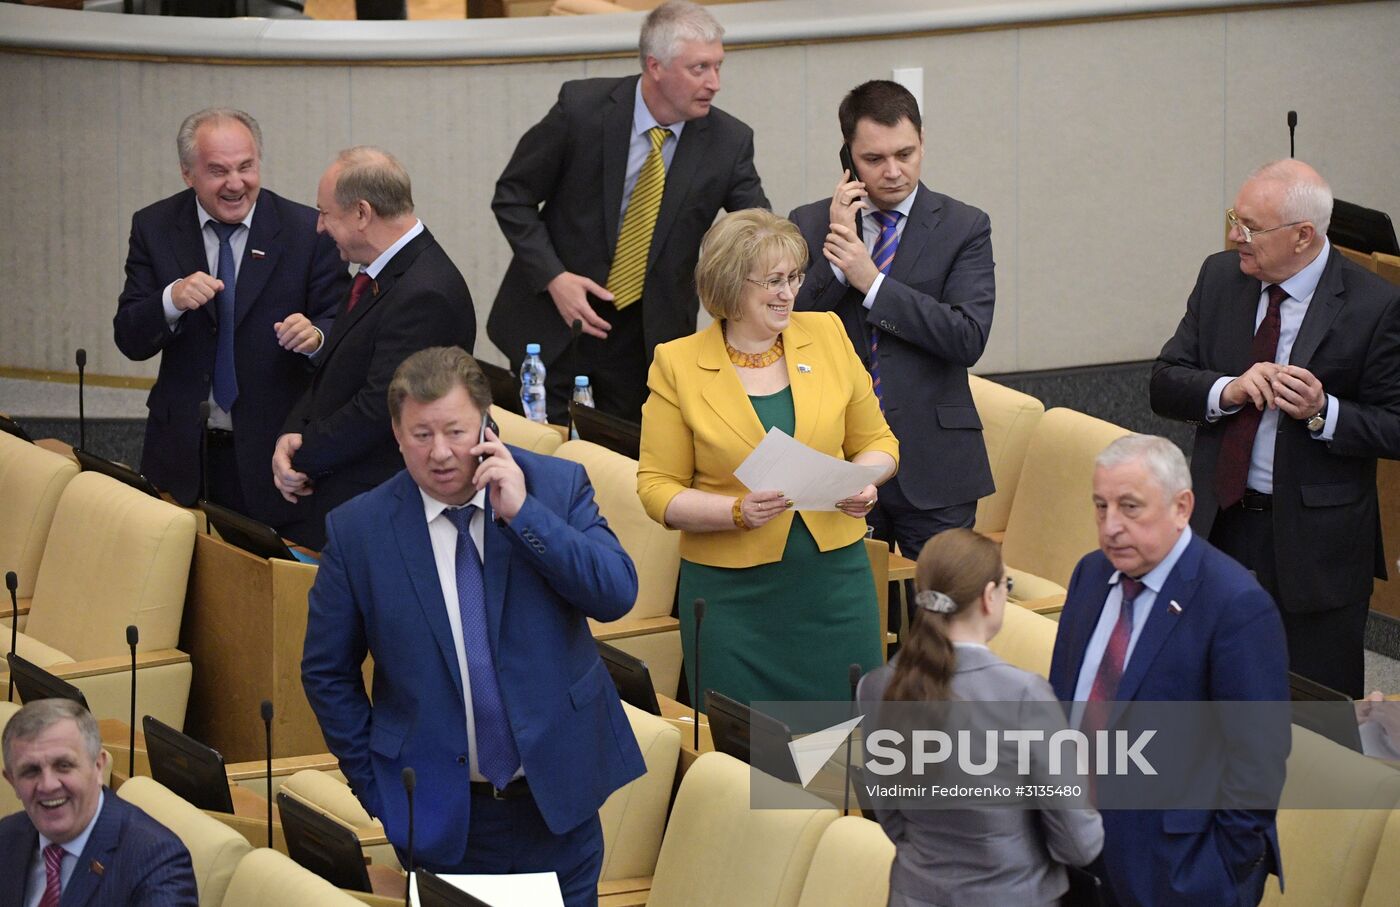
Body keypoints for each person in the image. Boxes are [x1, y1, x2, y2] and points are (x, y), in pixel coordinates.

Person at [301, 346, 644, 907]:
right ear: (395, 432)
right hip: (438, 812)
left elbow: (614, 594)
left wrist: (523, 515)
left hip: (556, 801)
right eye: (420, 435)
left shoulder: (554, 488)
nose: (440, 453)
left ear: (488, 424)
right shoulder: (359, 530)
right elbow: (326, 673)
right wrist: (379, 787)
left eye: (456, 432)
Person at [1151, 159, 1400, 699]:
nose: (1236, 236)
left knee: (1316, 717)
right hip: (1222, 523)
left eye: (1251, 227)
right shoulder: (1220, 277)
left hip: (1316, 549)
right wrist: (1228, 390)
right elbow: (1164, 382)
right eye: (1234, 219)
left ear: (1303, 236)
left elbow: (1394, 425)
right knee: (1208, 696)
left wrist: (1322, 411)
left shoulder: (1375, 305)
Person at [637, 209, 898, 708]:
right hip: (734, 604)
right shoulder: (678, 364)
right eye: (773, 281)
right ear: (731, 287)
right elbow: (656, 489)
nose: (788, 293)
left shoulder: (827, 335)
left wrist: (866, 482)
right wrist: (735, 511)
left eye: (794, 277)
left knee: (846, 755)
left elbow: (882, 442)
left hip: (835, 590)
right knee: (752, 773)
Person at [489, 0, 768, 424]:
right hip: (556, 326)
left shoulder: (728, 142)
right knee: (545, 458)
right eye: (699, 69)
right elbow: (513, 196)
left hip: (646, 344)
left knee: (629, 469)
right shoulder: (581, 109)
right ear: (655, 66)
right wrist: (554, 278)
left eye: (718, 66)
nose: (715, 83)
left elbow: (760, 229)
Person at [1048, 434, 1290, 907]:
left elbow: (1257, 764)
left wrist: (1216, 871)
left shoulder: (1235, 605)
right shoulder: (1090, 575)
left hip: (1176, 873)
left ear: (1182, 507)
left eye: (1130, 507)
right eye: (1101, 507)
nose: (1111, 526)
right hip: (1075, 859)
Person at [789, 79, 995, 560]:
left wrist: (871, 282)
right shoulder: (810, 222)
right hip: (843, 459)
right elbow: (787, 328)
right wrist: (837, 262)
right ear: (848, 159)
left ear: (923, 142)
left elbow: (967, 336)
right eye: (874, 159)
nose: (894, 172)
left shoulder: (965, 226)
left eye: (905, 153)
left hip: (936, 463)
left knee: (939, 617)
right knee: (861, 616)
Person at [113, 107, 348, 527]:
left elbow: (342, 324)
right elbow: (129, 338)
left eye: (246, 167)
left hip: (273, 453)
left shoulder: (306, 231)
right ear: (188, 173)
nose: (236, 184)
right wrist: (170, 299)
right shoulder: (155, 226)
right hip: (181, 450)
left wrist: (315, 334)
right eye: (218, 171)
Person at [857, 528, 1103, 907]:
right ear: (990, 596)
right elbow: (1078, 845)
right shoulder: (1024, 694)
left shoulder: (875, 688)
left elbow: (890, 819)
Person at [274, 146, 475, 550]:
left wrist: (302, 456)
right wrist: (291, 433)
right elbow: (331, 371)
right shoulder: (378, 271)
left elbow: (380, 408)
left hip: (384, 512)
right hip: (350, 495)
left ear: (362, 213)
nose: (318, 227)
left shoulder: (425, 292)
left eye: (325, 212)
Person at [0, 699, 198, 906]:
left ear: (98, 766)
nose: (48, 785)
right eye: (31, 771)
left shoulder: (156, 860)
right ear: (12, 781)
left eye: (64, 765)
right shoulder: (7, 836)